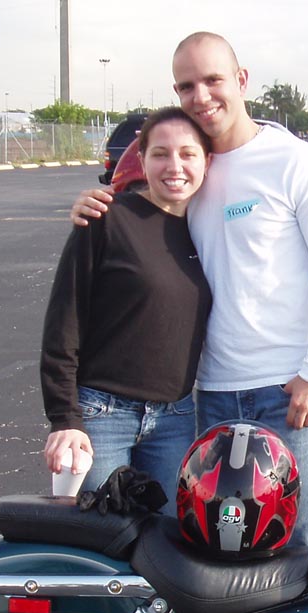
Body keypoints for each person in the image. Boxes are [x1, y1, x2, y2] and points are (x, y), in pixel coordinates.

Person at [70, 32, 308, 548]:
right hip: (210, 396)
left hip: (290, 391)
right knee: (218, 548)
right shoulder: (192, 167)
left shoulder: (295, 163)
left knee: (302, 541)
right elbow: (136, 215)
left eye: (213, 80)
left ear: (241, 80)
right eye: (187, 86)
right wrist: (92, 206)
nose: (201, 96)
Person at [41, 107, 213, 516]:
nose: (175, 166)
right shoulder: (106, 217)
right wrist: (65, 417)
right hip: (102, 416)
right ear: (142, 159)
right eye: (160, 154)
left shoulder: (209, 229)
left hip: (175, 418)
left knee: (169, 541)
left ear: (207, 160)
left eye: (188, 154)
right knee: (99, 539)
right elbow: (64, 321)